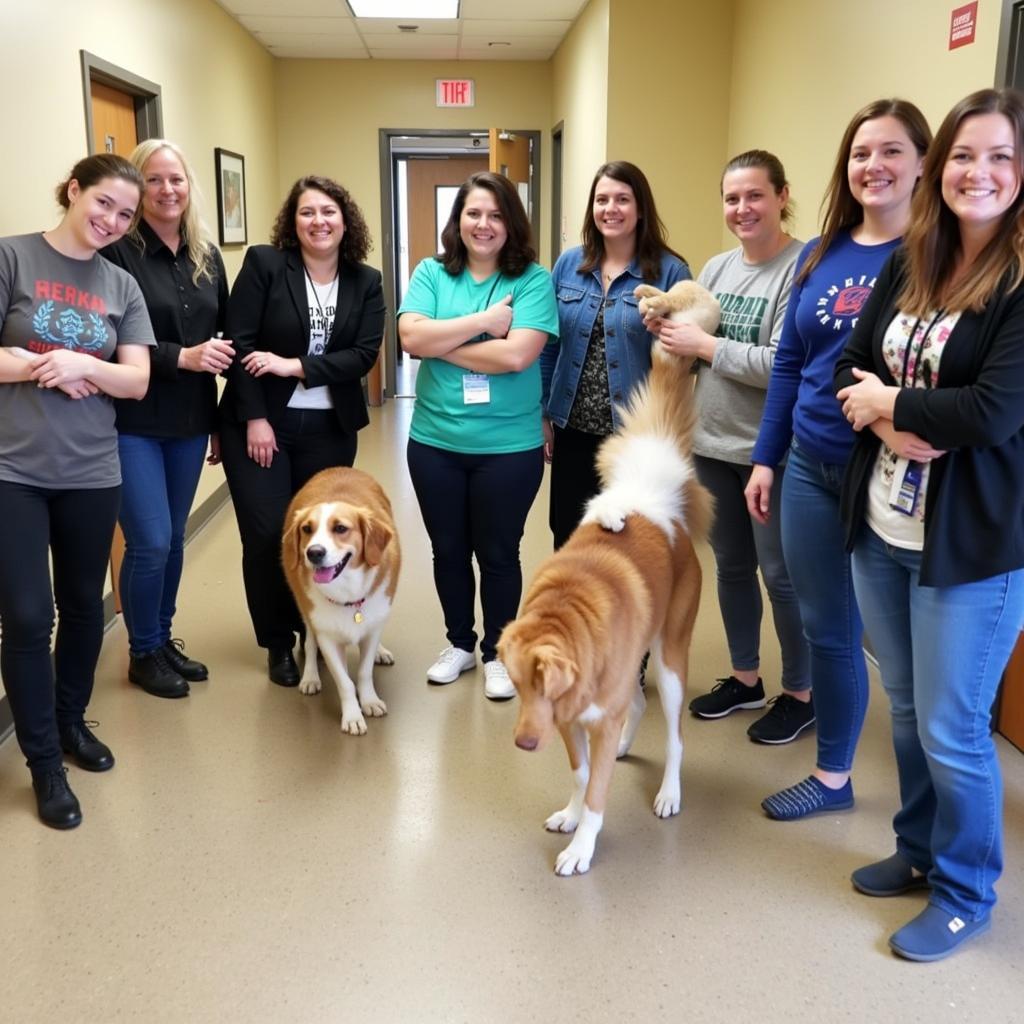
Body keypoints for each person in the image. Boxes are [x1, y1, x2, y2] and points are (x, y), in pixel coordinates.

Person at [834, 87, 1024, 962]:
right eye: (964, 154)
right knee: (907, 710)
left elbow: (990, 413)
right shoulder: (915, 257)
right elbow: (848, 363)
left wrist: (893, 401)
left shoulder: (1021, 280)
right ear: (939, 165)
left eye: (1001, 157)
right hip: (884, 525)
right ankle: (916, 849)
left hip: (971, 548)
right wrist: (891, 417)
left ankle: (965, 890)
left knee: (954, 728)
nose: (978, 172)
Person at [744, 100, 932, 819]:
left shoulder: (935, 257)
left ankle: (927, 815)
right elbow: (791, 363)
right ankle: (833, 777)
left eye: (890, 152)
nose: (873, 167)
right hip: (808, 464)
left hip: (891, 474)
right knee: (827, 627)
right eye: (860, 153)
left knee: (906, 655)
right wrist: (767, 459)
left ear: (923, 162)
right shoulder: (822, 253)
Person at [0, 154, 153, 829]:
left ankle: (69, 724)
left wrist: (88, 364)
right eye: (103, 205)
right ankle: (42, 764)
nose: (112, 222)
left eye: (125, 215)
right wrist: (46, 367)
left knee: (87, 608)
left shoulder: (121, 284)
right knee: (31, 617)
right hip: (15, 472)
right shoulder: (12, 259)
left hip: (93, 471)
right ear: (73, 191)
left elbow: (138, 380)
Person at [656, 151, 812, 744]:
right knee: (731, 567)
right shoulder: (717, 268)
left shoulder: (804, 267)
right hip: (712, 445)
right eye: (731, 199)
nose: (741, 209)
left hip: (770, 452)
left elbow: (786, 365)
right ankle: (745, 677)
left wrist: (705, 345)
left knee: (782, 574)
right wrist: (672, 336)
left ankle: (801, 693)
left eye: (754, 196)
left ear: (781, 196)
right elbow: (695, 348)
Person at [399, 171, 558, 700]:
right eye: (473, 213)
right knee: (447, 550)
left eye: (495, 214)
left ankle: (497, 650)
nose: (483, 224)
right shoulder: (430, 271)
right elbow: (407, 337)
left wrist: (439, 343)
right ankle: (460, 645)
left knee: (497, 552)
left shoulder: (533, 279)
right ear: (458, 220)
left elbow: (517, 354)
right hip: (435, 444)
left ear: (510, 222)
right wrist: (487, 321)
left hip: (509, 449)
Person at [220, 176, 384, 686]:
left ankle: (317, 628)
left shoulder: (366, 279)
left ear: (345, 220)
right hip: (260, 425)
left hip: (329, 428)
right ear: (293, 222)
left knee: (322, 538)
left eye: (329, 212)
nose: (319, 221)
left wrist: (293, 366)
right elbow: (239, 343)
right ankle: (278, 641)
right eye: (307, 212)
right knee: (271, 534)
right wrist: (255, 418)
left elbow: (362, 355)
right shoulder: (266, 265)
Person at [103, 139, 231, 700]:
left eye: (175, 178)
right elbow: (104, 341)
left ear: (189, 184)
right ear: (137, 188)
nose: (167, 189)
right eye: (153, 180)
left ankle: (161, 637)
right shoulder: (116, 254)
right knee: (149, 541)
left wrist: (228, 419)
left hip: (191, 418)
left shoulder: (205, 255)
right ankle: (141, 652)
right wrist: (180, 356)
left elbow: (226, 338)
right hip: (131, 419)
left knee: (174, 538)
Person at [542, 161, 690, 549]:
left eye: (623, 199)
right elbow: (549, 345)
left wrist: (667, 333)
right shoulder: (568, 265)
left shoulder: (670, 272)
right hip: (572, 428)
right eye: (602, 199)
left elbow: (684, 360)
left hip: (635, 434)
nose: (611, 208)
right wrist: (542, 414)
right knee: (570, 535)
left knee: (629, 542)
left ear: (640, 208)